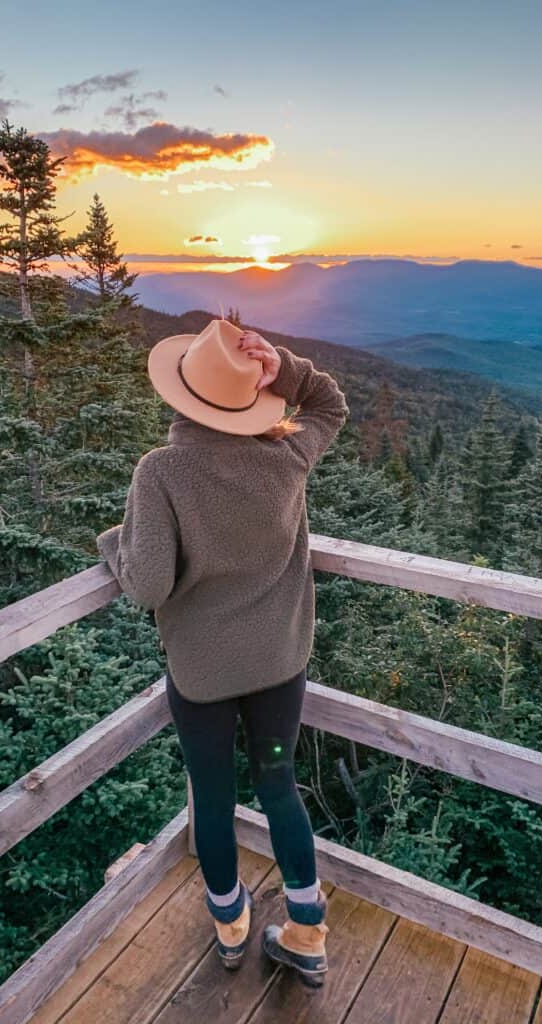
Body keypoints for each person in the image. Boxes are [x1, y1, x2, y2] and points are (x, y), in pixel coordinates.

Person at [96, 317, 350, 987]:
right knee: (278, 783)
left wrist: (112, 545)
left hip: (204, 675)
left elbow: (147, 583)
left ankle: (232, 929)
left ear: (179, 394)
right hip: (279, 666)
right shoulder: (287, 454)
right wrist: (284, 366)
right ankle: (305, 934)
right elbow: (331, 402)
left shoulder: (163, 471)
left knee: (212, 800)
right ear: (247, 398)